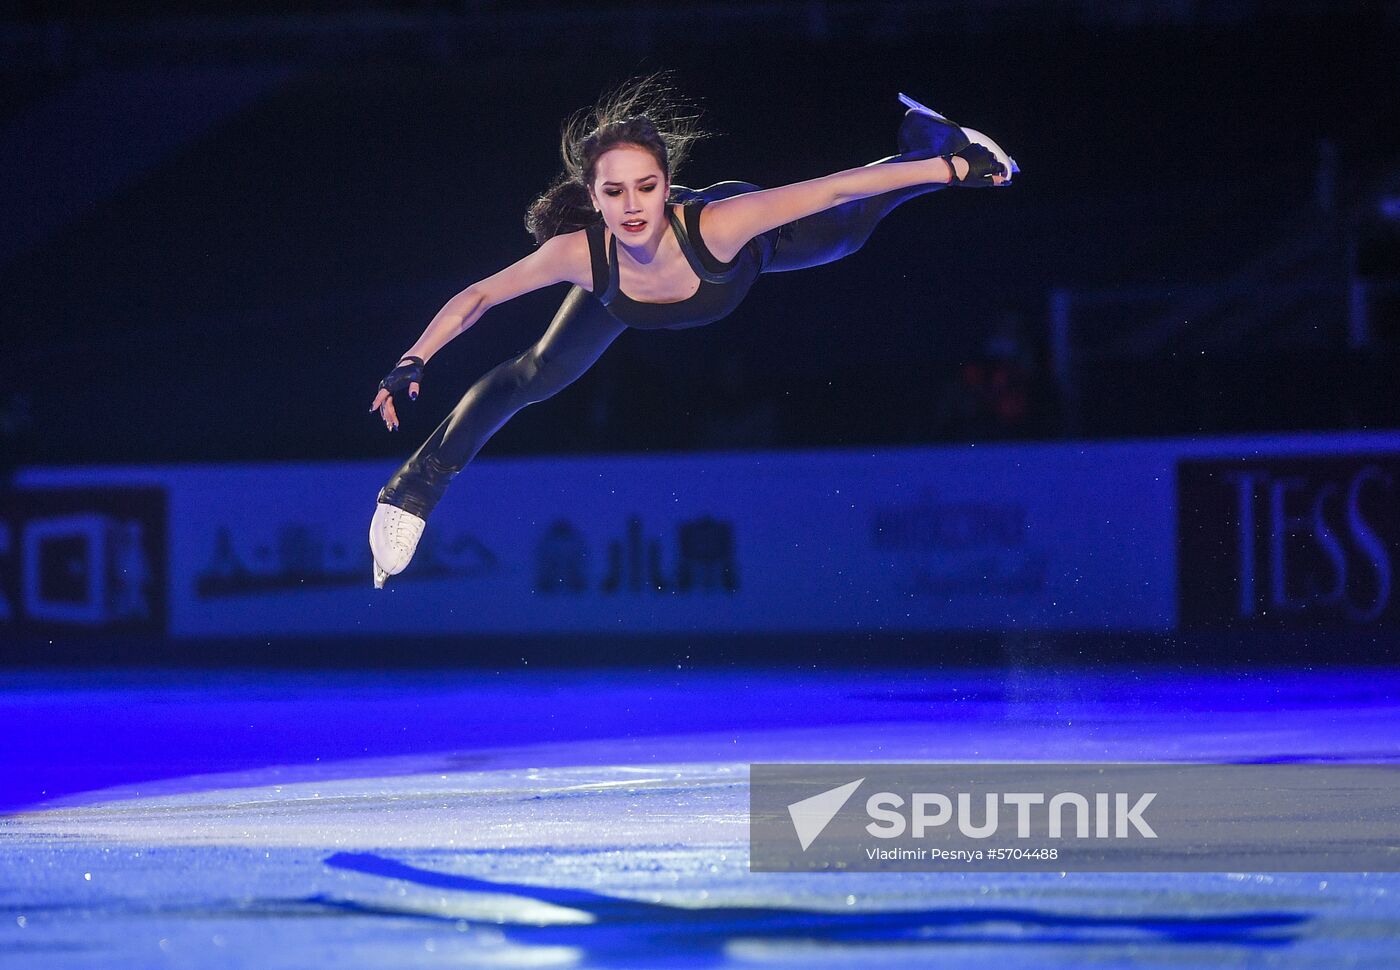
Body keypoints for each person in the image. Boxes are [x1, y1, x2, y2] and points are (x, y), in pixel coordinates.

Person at [367, 75, 1017, 587]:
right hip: (621, 296)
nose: (632, 207)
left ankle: (929, 144)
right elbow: (480, 296)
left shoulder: (722, 226)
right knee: (532, 374)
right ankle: (411, 491)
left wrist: (952, 171)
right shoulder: (579, 255)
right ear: (593, 198)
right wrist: (414, 357)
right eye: (614, 193)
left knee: (849, 230)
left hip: (743, 257)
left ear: (667, 187)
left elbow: (832, 189)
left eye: (646, 188)